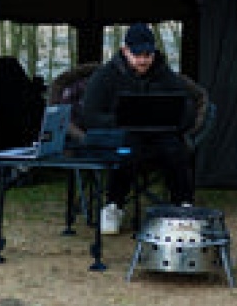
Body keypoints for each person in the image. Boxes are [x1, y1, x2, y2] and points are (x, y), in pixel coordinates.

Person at [76, 22, 201, 232]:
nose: (143, 60)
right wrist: (122, 120)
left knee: (175, 148)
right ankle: (113, 205)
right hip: (121, 136)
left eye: (147, 55)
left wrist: (170, 123)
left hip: (158, 137)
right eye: (137, 54)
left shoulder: (165, 74)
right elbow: (89, 116)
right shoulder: (105, 76)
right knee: (125, 149)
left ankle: (183, 205)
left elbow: (186, 108)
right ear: (125, 50)